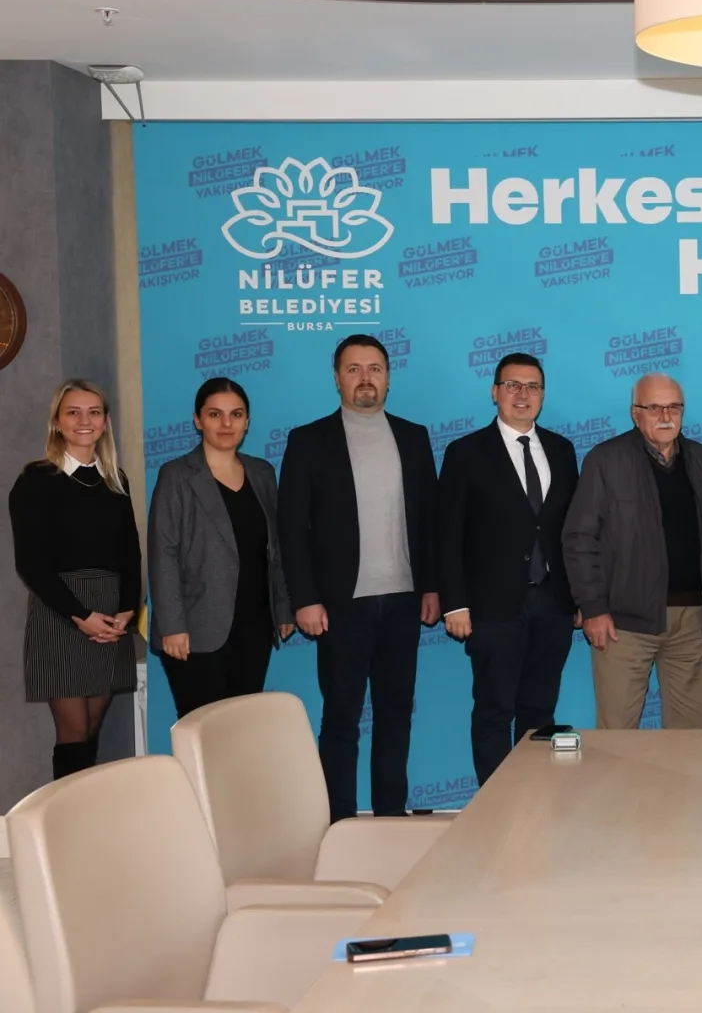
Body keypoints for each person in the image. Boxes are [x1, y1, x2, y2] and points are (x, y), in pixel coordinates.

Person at [277, 335, 439, 821]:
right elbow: (291, 528)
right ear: (337, 378)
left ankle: (390, 814)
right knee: (341, 718)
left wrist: (432, 586)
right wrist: (304, 598)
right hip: (339, 605)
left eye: (375, 369)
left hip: (404, 600)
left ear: (388, 377)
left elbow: (429, 519)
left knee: (396, 714)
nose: (365, 379)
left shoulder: (414, 437)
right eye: (354, 369)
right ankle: (340, 820)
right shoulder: (308, 440)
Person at [439, 353, 580, 785]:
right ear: (495, 392)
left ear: (543, 395)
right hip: (490, 606)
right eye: (513, 385)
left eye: (532, 386)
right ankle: (496, 806)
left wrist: (579, 598)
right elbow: (446, 533)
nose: (523, 394)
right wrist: (454, 604)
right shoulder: (465, 452)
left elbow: (572, 531)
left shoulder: (562, 450)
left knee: (540, 712)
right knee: (494, 710)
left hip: (553, 604)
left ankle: (535, 800)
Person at [562, 372, 702, 729]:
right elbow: (579, 538)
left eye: (674, 407)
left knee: (692, 737)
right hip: (623, 623)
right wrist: (593, 608)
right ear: (635, 414)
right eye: (654, 408)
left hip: (693, 620)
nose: (665, 416)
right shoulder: (605, 460)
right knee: (617, 737)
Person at [8, 379, 140, 779]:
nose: (85, 420)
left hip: (110, 614)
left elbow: (130, 554)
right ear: (57, 421)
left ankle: (82, 810)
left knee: (91, 731)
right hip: (61, 611)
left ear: (105, 422)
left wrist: (127, 610)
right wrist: (80, 615)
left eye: (94, 412)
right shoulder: (35, 480)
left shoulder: (115, 479)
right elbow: (30, 563)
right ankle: (65, 817)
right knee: (73, 733)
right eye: (73, 412)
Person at [148, 378, 296, 719]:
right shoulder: (176, 475)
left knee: (239, 731)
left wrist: (283, 607)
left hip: (255, 627)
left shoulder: (262, 472)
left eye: (236, 414)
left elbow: (275, 547)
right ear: (198, 420)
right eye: (215, 414)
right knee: (202, 732)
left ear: (247, 421)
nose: (226, 423)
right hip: (194, 630)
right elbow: (163, 553)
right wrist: (172, 625)